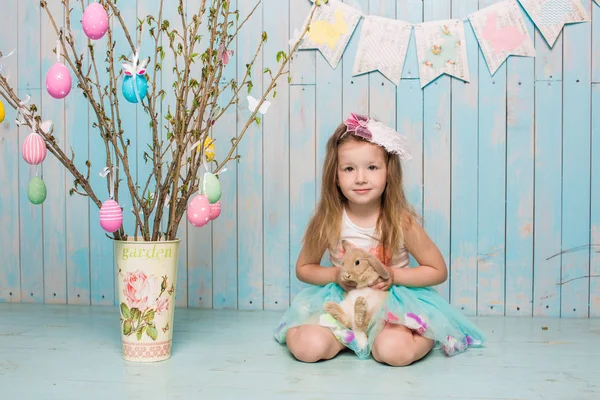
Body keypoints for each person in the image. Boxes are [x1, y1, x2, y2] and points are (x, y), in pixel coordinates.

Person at [274, 113, 485, 366]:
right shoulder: (329, 219)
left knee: (394, 352)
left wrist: (394, 276)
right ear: (335, 175)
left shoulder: (399, 220)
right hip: (345, 303)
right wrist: (335, 276)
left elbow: (438, 270)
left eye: (372, 167)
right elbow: (304, 268)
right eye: (349, 168)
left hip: (391, 305)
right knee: (309, 348)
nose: (360, 178)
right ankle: (348, 335)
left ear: (388, 172)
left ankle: (423, 333)